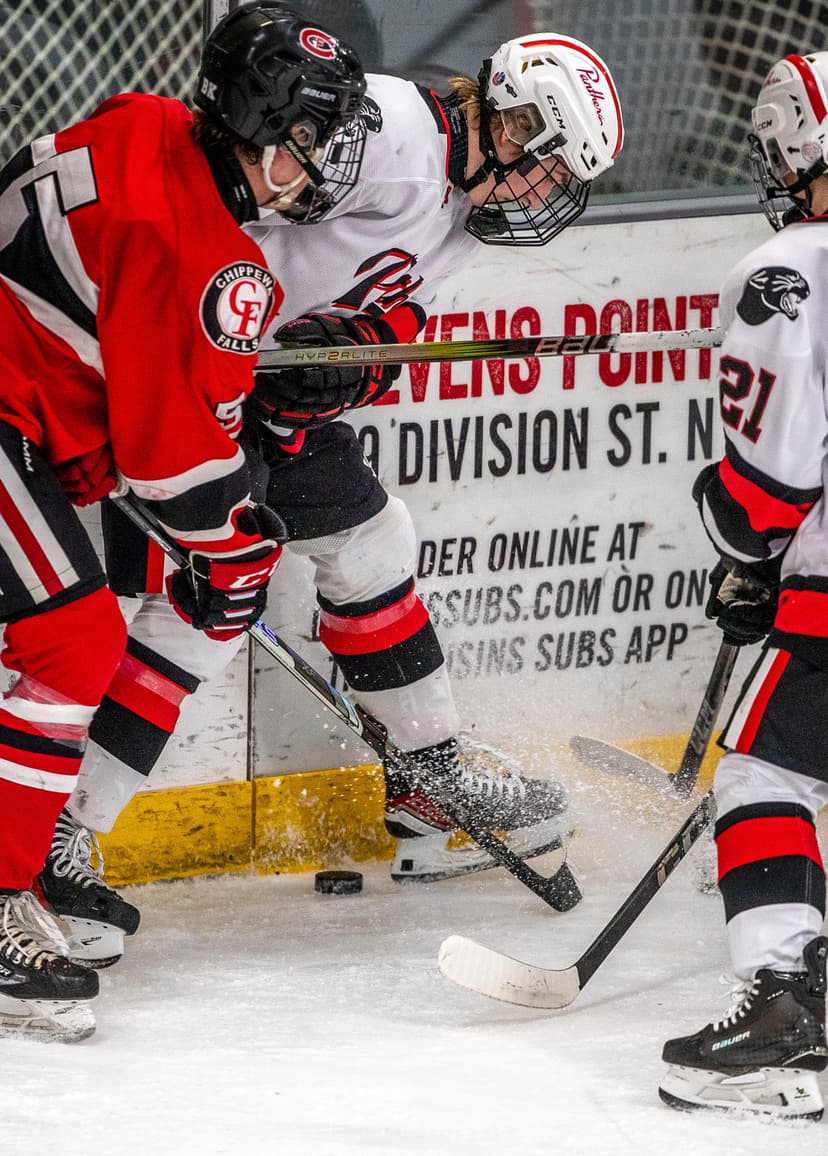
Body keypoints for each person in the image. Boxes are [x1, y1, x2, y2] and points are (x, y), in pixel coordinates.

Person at [39, 12, 625, 967]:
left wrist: (352, 360)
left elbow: (388, 314)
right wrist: (240, 350)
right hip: (188, 373)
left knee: (372, 544)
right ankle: (61, 831)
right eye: (550, 171)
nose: (546, 196)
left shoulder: (463, 198)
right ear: (511, 126)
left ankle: (429, 782)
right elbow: (216, 204)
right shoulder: (386, 137)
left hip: (259, 383)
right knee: (207, 602)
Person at [0, 2, 367, 1041]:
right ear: (256, 123)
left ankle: (33, 853)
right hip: (7, 404)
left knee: (89, 615)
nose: (321, 162)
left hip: (31, 396)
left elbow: (98, 319)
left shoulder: (145, 119)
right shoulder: (206, 255)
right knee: (73, 643)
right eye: (309, 137)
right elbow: (173, 466)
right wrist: (235, 550)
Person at [659, 50, 828, 1120]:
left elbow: (766, 487)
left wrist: (747, 553)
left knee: (760, 775)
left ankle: (784, 1011)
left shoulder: (792, 270)